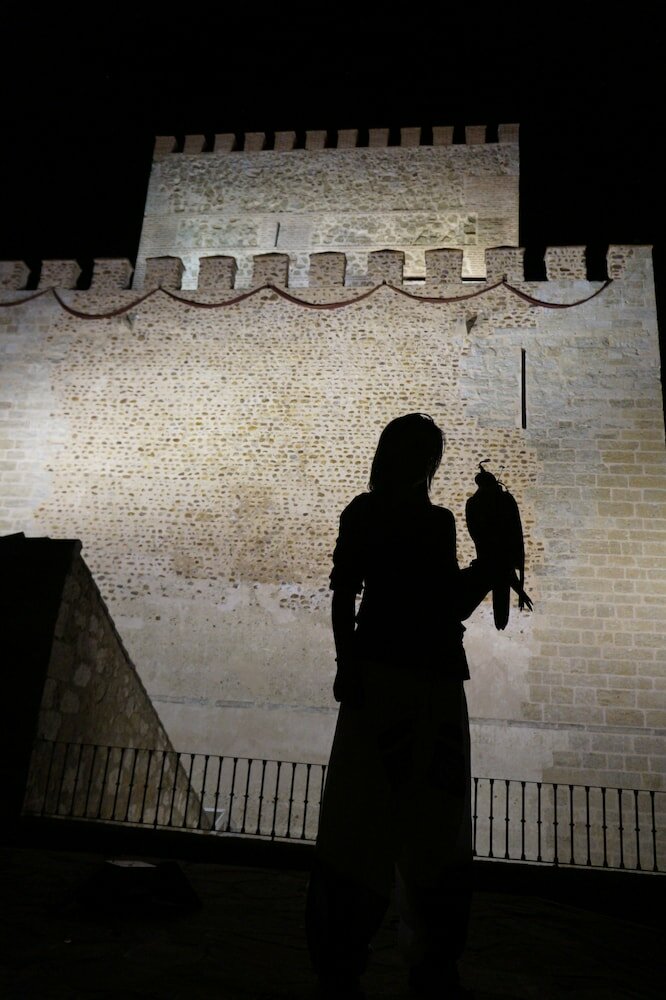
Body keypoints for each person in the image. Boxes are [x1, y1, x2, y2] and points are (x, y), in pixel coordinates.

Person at [305, 413, 531, 999]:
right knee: (362, 817)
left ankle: (430, 957)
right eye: (414, 452)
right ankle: (343, 956)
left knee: (435, 821)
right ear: (394, 456)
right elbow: (344, 590)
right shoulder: (366, 512)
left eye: (428, 454)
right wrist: (346, 664)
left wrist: (491, 565)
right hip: (380, 677)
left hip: (432, 682)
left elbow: (445, 604)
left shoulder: (439, 523)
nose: (422, 464)